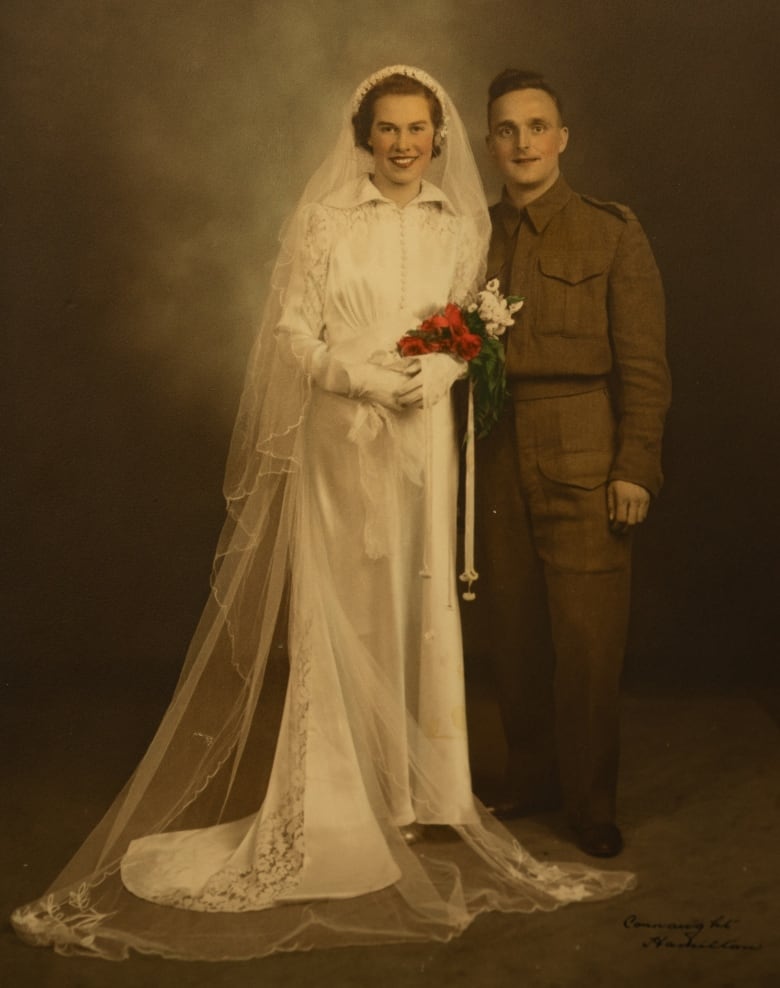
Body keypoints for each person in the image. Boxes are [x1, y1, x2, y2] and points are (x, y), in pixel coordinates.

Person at [11, 66, 634, 962]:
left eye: (419, 129)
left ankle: (426, 795)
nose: (404, 144)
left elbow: (471, 321)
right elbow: (294, 334)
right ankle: (352, 796)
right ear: (362, 138)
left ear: (439, 139)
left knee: (418, 606)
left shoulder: (461, 228)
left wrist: (449, 367)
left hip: (423, 443)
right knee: (348, 602)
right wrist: (357, 376)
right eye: (387, 129)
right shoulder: (323, 224)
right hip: (344, 441)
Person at [464, 69, 671, 858]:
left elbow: (646, 367)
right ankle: (530, 779)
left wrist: (635, 467)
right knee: (512, 632)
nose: (523, 143)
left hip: (585, 444)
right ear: (490, 144)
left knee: (587, 640)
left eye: (537, 126)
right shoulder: (469, 237)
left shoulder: (612, 231)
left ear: (563, 138)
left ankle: (589, 802)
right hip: (495, 445)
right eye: (507, 131)